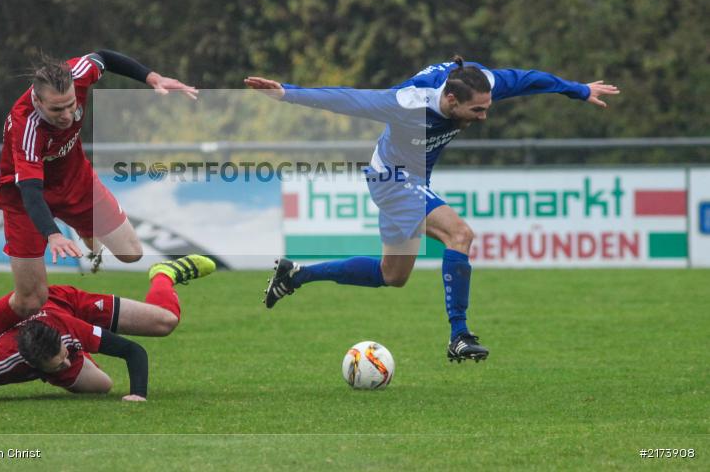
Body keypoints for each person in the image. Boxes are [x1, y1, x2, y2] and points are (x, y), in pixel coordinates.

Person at [245, 56, 619, 362]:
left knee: (393, 275)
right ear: (451, 101)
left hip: (408, 178)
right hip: (392, 179)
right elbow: (346, 99)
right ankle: (460, 335)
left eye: (487, 107)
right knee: (460, 234)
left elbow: (529, 79)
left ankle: (296, 275)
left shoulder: (482, 82)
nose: (484, 116)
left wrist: (579, 90)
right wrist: (286, 92)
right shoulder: (406, 102)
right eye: (477, 110)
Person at [0, 49, 199, 358]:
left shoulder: (80, 73)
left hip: (76, 181)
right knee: (30, 300)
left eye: (71, 105)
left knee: (131, 252)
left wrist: (152, 77)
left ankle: (84, 226)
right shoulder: (26, 126)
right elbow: (31, 190)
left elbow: (105, 57)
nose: (66, 115)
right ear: (37, 101)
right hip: (24, 198)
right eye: (56, 109)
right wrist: (53, 234)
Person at [0, 256, 214, 403]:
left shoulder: (67, 330)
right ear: (33, 365)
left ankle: (164, 274)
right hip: (22, 342)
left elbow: (132, 350)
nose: (66, 360)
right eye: (59, 363)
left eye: (65, 355)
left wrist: (139, 394)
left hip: (67, 305)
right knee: (102, 386)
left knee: (165, 322)